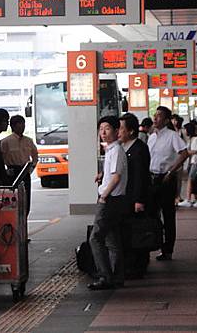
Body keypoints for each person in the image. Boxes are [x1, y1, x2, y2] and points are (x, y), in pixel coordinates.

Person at [88, 116, 128, 290]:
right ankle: (117, 276)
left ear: (116, 131)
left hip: (110, 201)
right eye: (101, 129)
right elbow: (112, 172)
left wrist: (104, 195)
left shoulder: (117, 150)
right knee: (112, 240)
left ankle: (105, 276)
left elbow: (117, 177)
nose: (103, 133)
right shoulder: (111, 150)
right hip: (114, 200)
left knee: (95, 238)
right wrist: (103, 176)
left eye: (107, 129)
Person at [147, 106, 189, 261]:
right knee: (151, 214)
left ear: (166, 120)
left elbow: (184, 153)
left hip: (165, 179)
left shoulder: (172, 136)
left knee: (168, 215)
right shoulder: (151, 137)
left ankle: (168, 250)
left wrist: (171, 171)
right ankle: (151, 243)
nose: (155, 118)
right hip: (151, 179)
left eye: (159, 116)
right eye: (155, 115)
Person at [118, 113, 150, 278]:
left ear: (130, 131)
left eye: (121, 128)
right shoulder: (122, 147)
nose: (118, 132)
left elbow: (140, 177)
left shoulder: (139, 148)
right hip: (125, 197)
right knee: (129, 232)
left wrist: (139, 200)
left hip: (134, 197)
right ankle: (131, 264)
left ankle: (139, 266)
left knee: (139, 232)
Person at [1, 115, 38, 216]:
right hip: (13, 173)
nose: (22, 127)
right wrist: (6, 171)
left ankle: (24, 222)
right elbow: (0, 158)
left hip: (25, 172)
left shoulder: (28, 141)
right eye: (19, 124)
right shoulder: (6, 142)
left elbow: (35, 156)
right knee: (15, 199)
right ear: (13, 126)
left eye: (23, 124)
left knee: (26, 200)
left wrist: (30, 169)